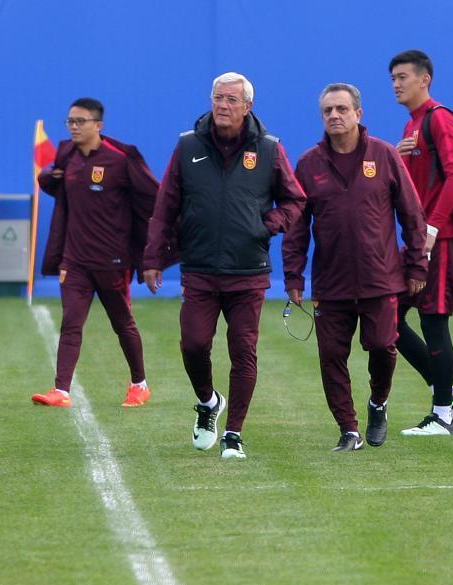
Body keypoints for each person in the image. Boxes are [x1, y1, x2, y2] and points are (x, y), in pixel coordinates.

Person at [143, 72, 306, 459]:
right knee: (194, 344)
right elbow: (165, 206)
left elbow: (295, 201)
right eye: (218, 97)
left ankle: (234, 433)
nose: (222, 105)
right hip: (199, 268)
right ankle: (208, 402)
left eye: (231, 99)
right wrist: (152, 257)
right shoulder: (188, 145)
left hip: (248, 271)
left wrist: (266, 226)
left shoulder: (268, 149)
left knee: (243, 351)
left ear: (248, 106)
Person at [283, 83, 428, 452]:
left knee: (382, 346)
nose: (334, 115)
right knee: (331, 357)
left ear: (358, 114)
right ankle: (348, 429)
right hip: (331, 283)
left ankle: (378, 403)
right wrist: (293, 275)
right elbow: (297, 226)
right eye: (328, 110)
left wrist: (416, 266)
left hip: (381, 278)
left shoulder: (384, 155)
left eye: (342, 109)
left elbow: (412, 214)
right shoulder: (309, 163)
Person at [32, 97, 158, 409]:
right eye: (70, 121)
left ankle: (139, 384)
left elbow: (155, 198)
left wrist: (151, 252)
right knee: (71, 323)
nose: (73, 127)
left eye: (80, 121)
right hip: (74, 261)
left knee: (122, 323)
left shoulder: (120, 159)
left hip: (112, 261)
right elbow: (54, 181)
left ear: (98, 125)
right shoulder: (67, 155)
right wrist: (47, 177)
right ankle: (61, 390)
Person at [390, 49, 453, 436]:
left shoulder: (439, 118)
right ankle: (448, 394)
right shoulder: (412, 124)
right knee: (387, 317)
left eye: (402, 77)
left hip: (442, 238)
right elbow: (411, 184)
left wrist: (433, 229)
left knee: (433, 319)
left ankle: (442, 414)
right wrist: (398, 157)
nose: (396, 84)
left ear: (425, 79)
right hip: (418, 239)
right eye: (393, 78)